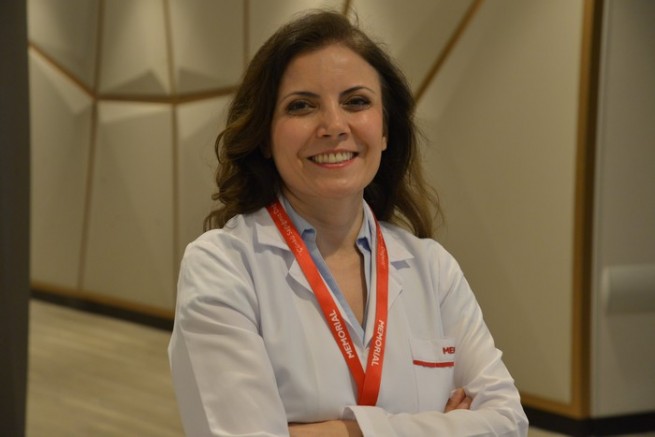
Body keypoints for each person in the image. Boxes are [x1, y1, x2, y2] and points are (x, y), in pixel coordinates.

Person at [169, 10, 528, 437]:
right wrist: (444, 426)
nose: (334, 126)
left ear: (385, 130)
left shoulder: (433, 268)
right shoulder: (222, 266)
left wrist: (333, 431)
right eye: (301, 106)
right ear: (264, 136)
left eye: (356, 102)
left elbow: (508, 422)